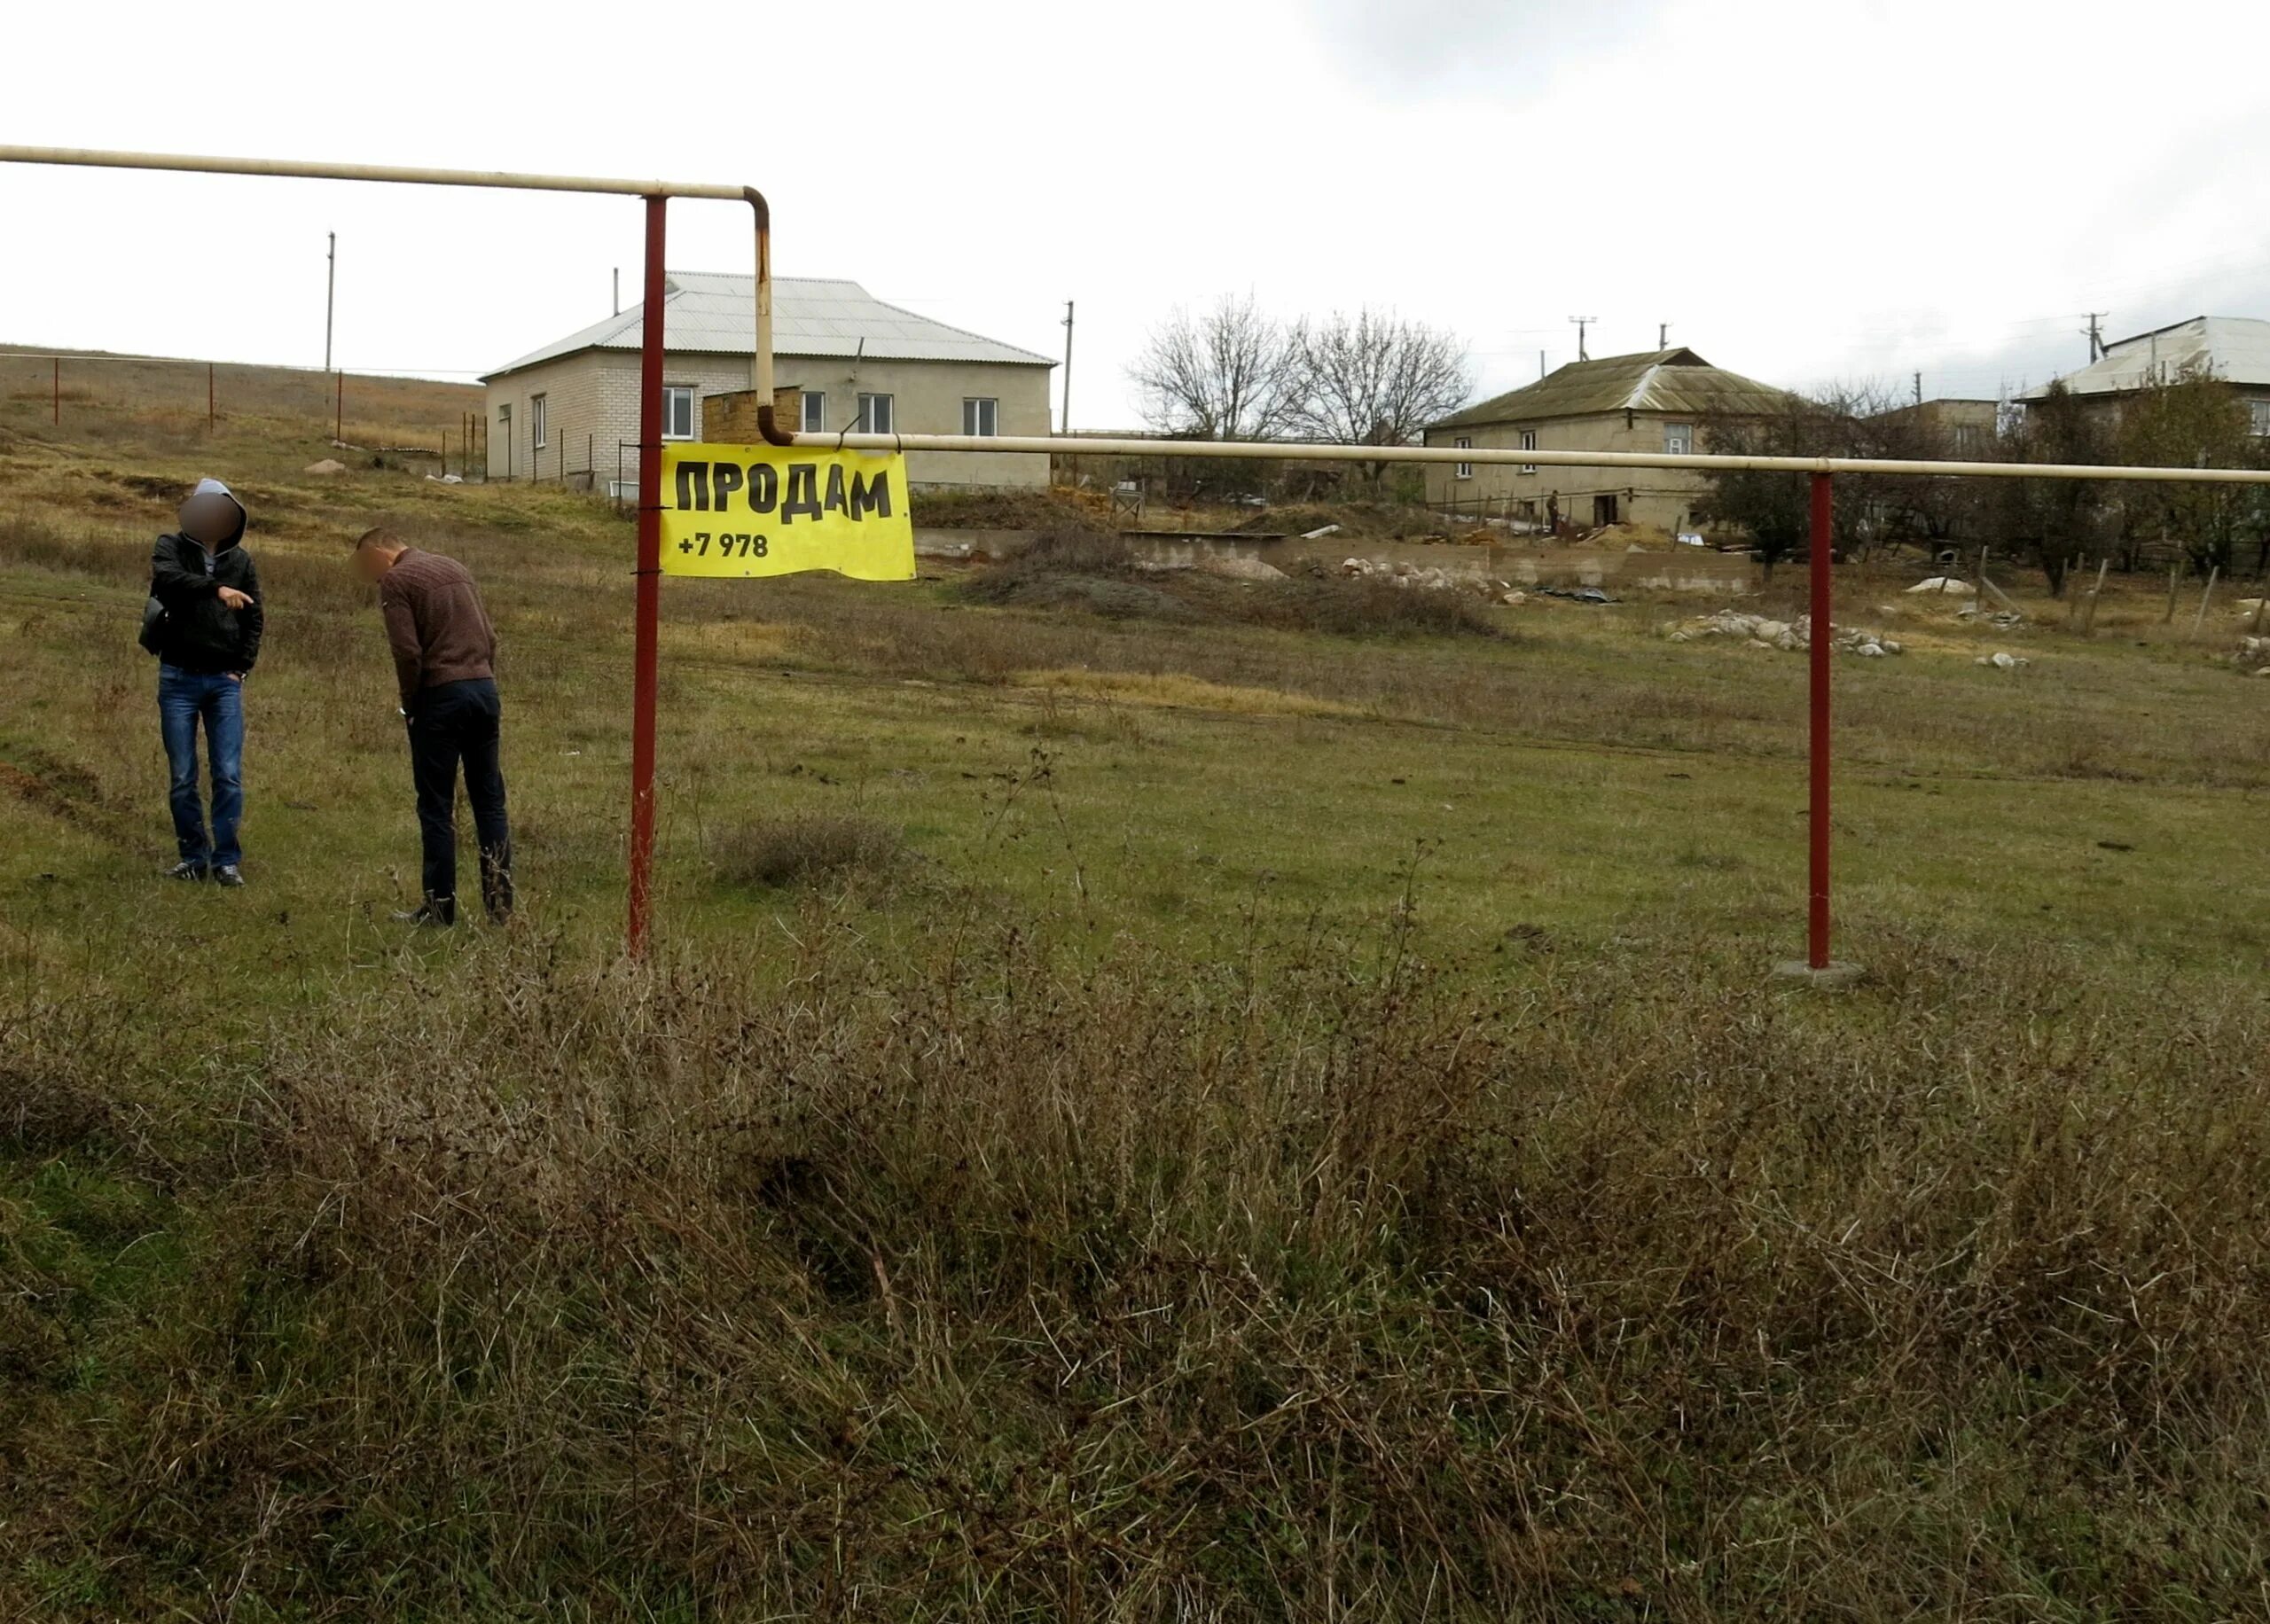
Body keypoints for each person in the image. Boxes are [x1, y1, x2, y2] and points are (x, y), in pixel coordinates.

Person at [350, 527, 512, 926]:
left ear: (377, 553)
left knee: (436, 807)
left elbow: (407, 652)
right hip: (483, 691)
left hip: (441, 697)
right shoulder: (454, 566)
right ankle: (500, 908)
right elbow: (490, 637)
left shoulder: (397, 579)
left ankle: (439, 910)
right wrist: (479, 676)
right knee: (489, 801)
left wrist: (412, 706)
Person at [151, 478, 262, 885]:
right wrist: (216, 588)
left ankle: (226, 860)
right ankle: (193, 858)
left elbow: (254, 617)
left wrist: (241, 668)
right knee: (182, 776)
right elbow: (167, 579)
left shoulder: (243, 561)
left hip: (223, 682)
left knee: (228, 773)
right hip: (178, 677)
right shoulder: (170, 547)